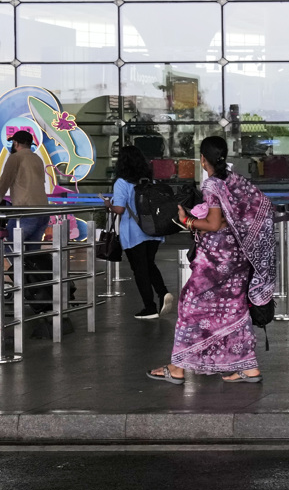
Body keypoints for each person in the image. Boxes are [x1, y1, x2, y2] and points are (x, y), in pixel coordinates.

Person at [147, 137, 275, 385]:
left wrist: (187, 221)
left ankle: (176, 368)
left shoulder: (212, 185)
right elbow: (255, 209)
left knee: (190, 305)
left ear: (203, 159)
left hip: (216, 260)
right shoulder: (236, 181)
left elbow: (214, 224)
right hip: (238, 256)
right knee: (234, 309)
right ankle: (249, 368)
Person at [108, 145, 173, 321]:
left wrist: (108, 205)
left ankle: (149, 307)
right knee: (149, 264)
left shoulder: (122, 182)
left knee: (140, 269)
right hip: (153, 231)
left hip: (133, 232)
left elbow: (120, 209)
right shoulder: (148, 180)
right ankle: (163, 292)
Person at [0, 130, 50, 252]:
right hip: (43, 211)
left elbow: (4, 183)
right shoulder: (37, 158)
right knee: (31, 252)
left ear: (16, 143)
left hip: (25, 211)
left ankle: (15, 266)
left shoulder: (15, 158)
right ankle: (30, 265)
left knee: (10, 247)